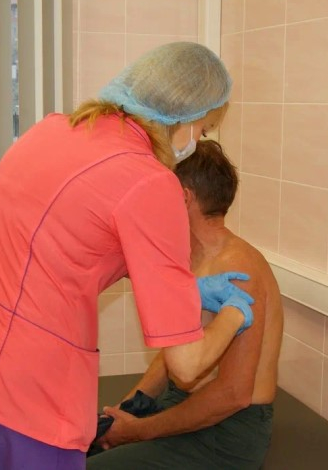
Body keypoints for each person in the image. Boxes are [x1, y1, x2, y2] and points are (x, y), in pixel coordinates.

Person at [0, 42, 257, 469]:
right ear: (183, 119)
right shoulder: (149, 181)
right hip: (24, 403)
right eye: (203, 129)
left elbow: (66, 245)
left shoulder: (52, 131)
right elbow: (186, 366)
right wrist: (233, 315)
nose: (198, 141)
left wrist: (190, 290)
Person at [87, 140, 284, 470]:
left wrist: (137, 431)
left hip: (226, 432)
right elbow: (179, 347)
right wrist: (130, 407)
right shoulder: (187, 258)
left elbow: (233, 395)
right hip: (182, 406)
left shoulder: (238, 270)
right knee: (76, 449)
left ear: (183, 196)